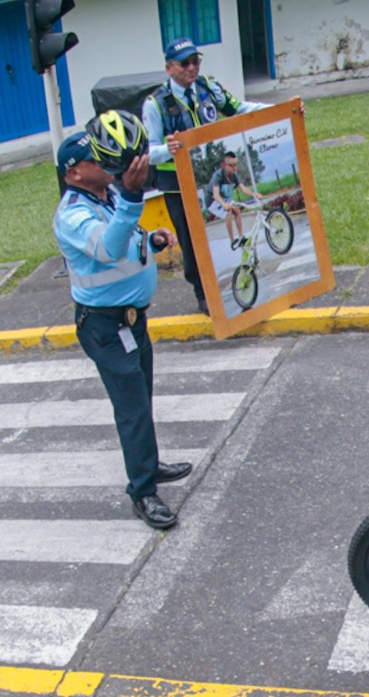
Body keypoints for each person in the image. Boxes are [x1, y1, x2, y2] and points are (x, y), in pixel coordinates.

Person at [55, 111, 193, 529]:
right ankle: (143, 492)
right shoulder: (73, 214)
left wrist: (149, 238)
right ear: (75, 172)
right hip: (104, 326)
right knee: (131, 408)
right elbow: (109, 248)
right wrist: (133, 197)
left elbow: (127, 236)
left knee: (141, 399)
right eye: (96, 160)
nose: (106, 164)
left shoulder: (108, 193)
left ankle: (147, 464)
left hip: (131, 321)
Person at [142, 37, 268, 311]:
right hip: (177, 184)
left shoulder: (208, 87)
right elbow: (149, 152)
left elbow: (239, 109)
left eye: (195, 61)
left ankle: (233, 283)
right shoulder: (155, 104)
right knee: (191, 241)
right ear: (169, 68)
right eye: (184, 64)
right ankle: (203, 294)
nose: (191, 68)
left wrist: (282, 111)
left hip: (208, 174)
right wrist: (169, 148)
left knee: (220, 230)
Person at [206, 152, 264, 253]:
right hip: (213, 201)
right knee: (228, 211)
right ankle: (232, 240)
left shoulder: (234, 176)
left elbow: (243, 188)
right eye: (232, 165)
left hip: (225, 200)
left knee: (236, 209)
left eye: (236, 165)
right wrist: (224, 204)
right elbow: (215, 194)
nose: (235, 168)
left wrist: (255, 195)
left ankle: (241, 237)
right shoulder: (218, 175)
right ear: (225, 165)